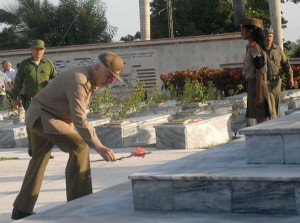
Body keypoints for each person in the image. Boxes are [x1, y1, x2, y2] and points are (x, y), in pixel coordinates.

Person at [11, 51, 124, 220]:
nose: (110, 81)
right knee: (80, 146)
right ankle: (79, 206)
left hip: (40, 115)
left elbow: (69, 112)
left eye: (113, 79)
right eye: (109, 76)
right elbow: (80, 119)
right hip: (44, 117)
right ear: (96, 68)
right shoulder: (79, 80)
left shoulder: (89, 79)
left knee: (39, 158)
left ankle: (21, 209)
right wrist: (99, 146)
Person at [12, 39, 57, 157]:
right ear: (31, 50)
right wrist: (14, 98)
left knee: (47, 125)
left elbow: (56, 80)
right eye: (36, 49)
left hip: (47, 102)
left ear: (44, 50)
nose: (38, 52)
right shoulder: (25, 64)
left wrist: (50, 82)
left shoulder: (48, 64)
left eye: (41, 49)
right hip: (30, 101)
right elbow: (17, 83)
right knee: (31, 126)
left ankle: (46, 151)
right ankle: (33, 149)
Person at [240, 17, 272, 126]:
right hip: (253, 84)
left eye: (243, 30)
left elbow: (259, 70)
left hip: (257, 84)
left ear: (250, 31)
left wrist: (259, 95)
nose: (241, 33)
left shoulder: (254, 48)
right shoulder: (251, 47)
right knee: (258, 117)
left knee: (261, 117)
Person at [264, 27, 294, 118]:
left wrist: (290, 78)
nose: (268, 38)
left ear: (272, 37)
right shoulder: (260, 50)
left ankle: (273, 126)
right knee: (271, 108)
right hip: (266, 83)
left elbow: (286, 64)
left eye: (270, 36)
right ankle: (272, 125)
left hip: (277, 83)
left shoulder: (278, 50)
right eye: (267, 36)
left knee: (276, 108)